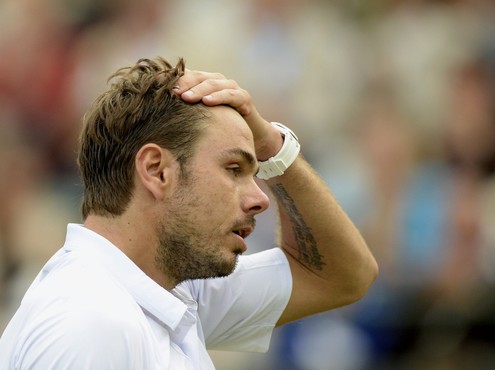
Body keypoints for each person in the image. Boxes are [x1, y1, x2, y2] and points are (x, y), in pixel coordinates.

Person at [0, 57, 378, 369]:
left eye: (255, 170)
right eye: (234, 169)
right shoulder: (92, 322)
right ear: (156, 170)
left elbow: (342, 275)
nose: (260, 199)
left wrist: (273, 147)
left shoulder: (171, 291)